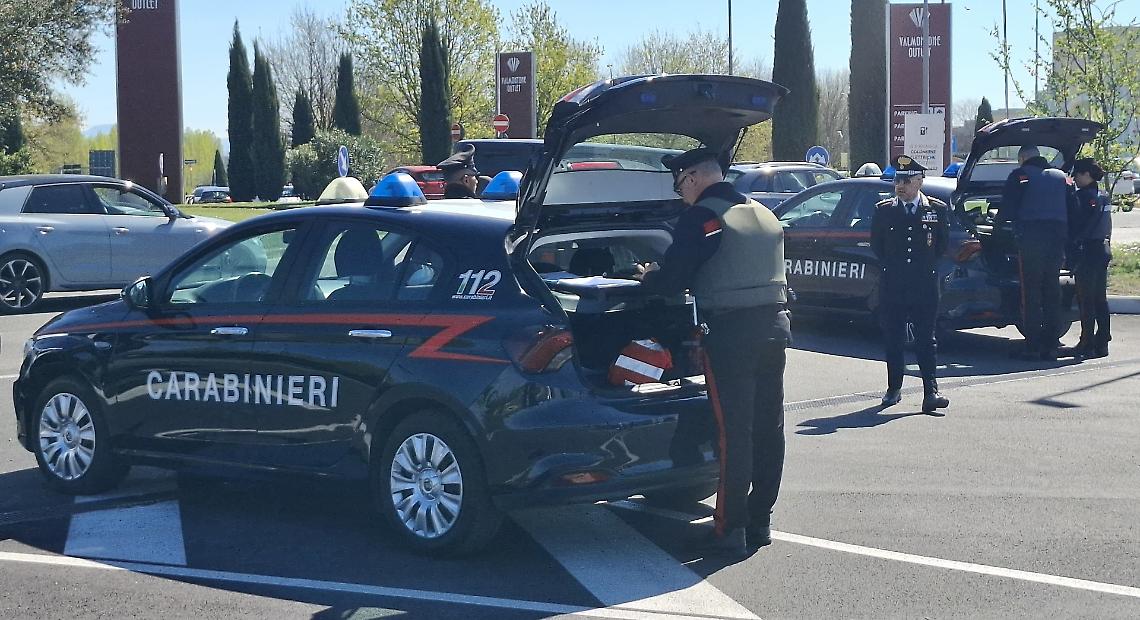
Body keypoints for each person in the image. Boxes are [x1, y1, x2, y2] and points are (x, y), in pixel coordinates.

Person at [634, 147, 791, 558]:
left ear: (692, 179)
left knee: (733, 434)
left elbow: (674, 279)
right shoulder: (761, 212)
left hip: (732, 335)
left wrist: (649, 277)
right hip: (775, 329)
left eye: (679, 185)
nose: (680, 194)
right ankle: (760, 521)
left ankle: (728, 529)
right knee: (768, 429)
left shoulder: (703, 217)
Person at [871, 155, 951, 413]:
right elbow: (878, 247)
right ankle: (894, 388)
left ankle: (931, 391)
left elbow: (941, 246)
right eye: (897, 180)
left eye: (906, 180)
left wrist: (920, 268)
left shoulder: (936, 210)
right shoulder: (884, 211)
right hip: (893, 285)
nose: (900, 185)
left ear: (919, 181)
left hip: (924, 285)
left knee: (926, 339)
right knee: (893, 338)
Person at [999, 145, 1078, 360]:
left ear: (1023, 158)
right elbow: (1073, 208)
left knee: (1030, 291)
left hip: (1032, 239)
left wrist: (998, 226)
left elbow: (1007, 208)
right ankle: (1053, 340)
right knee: (1052, 288)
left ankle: (1033, 343)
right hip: (1058, 239)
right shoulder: (1063, 177)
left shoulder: (1020, 175)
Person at [1067, 158, 1112, 358]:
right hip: (1102, 248)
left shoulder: (1082, 197)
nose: (1074, 177)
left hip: (1087, 250)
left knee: (1086, 299)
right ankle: (1102, 341)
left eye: (1077, 173)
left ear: (1087, 175)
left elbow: (1075, 225)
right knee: (1100, 298)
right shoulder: (1104, 195)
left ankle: (1086, 342)